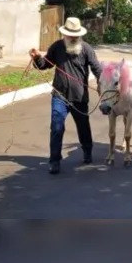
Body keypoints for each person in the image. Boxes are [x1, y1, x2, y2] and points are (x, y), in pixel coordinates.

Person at [30, 16, 103, 174]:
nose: (73, 37)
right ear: (65, 34)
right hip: (60, 95)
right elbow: (45, 65)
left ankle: (87, 151)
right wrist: (36, 57)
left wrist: (103, 82)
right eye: (70, 34)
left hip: (80, 97)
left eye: (76, 35)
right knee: (56, 126)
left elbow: (97, 68)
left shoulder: (87, 49)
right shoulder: (57, 47)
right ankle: (54, 160)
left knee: (83, 127)